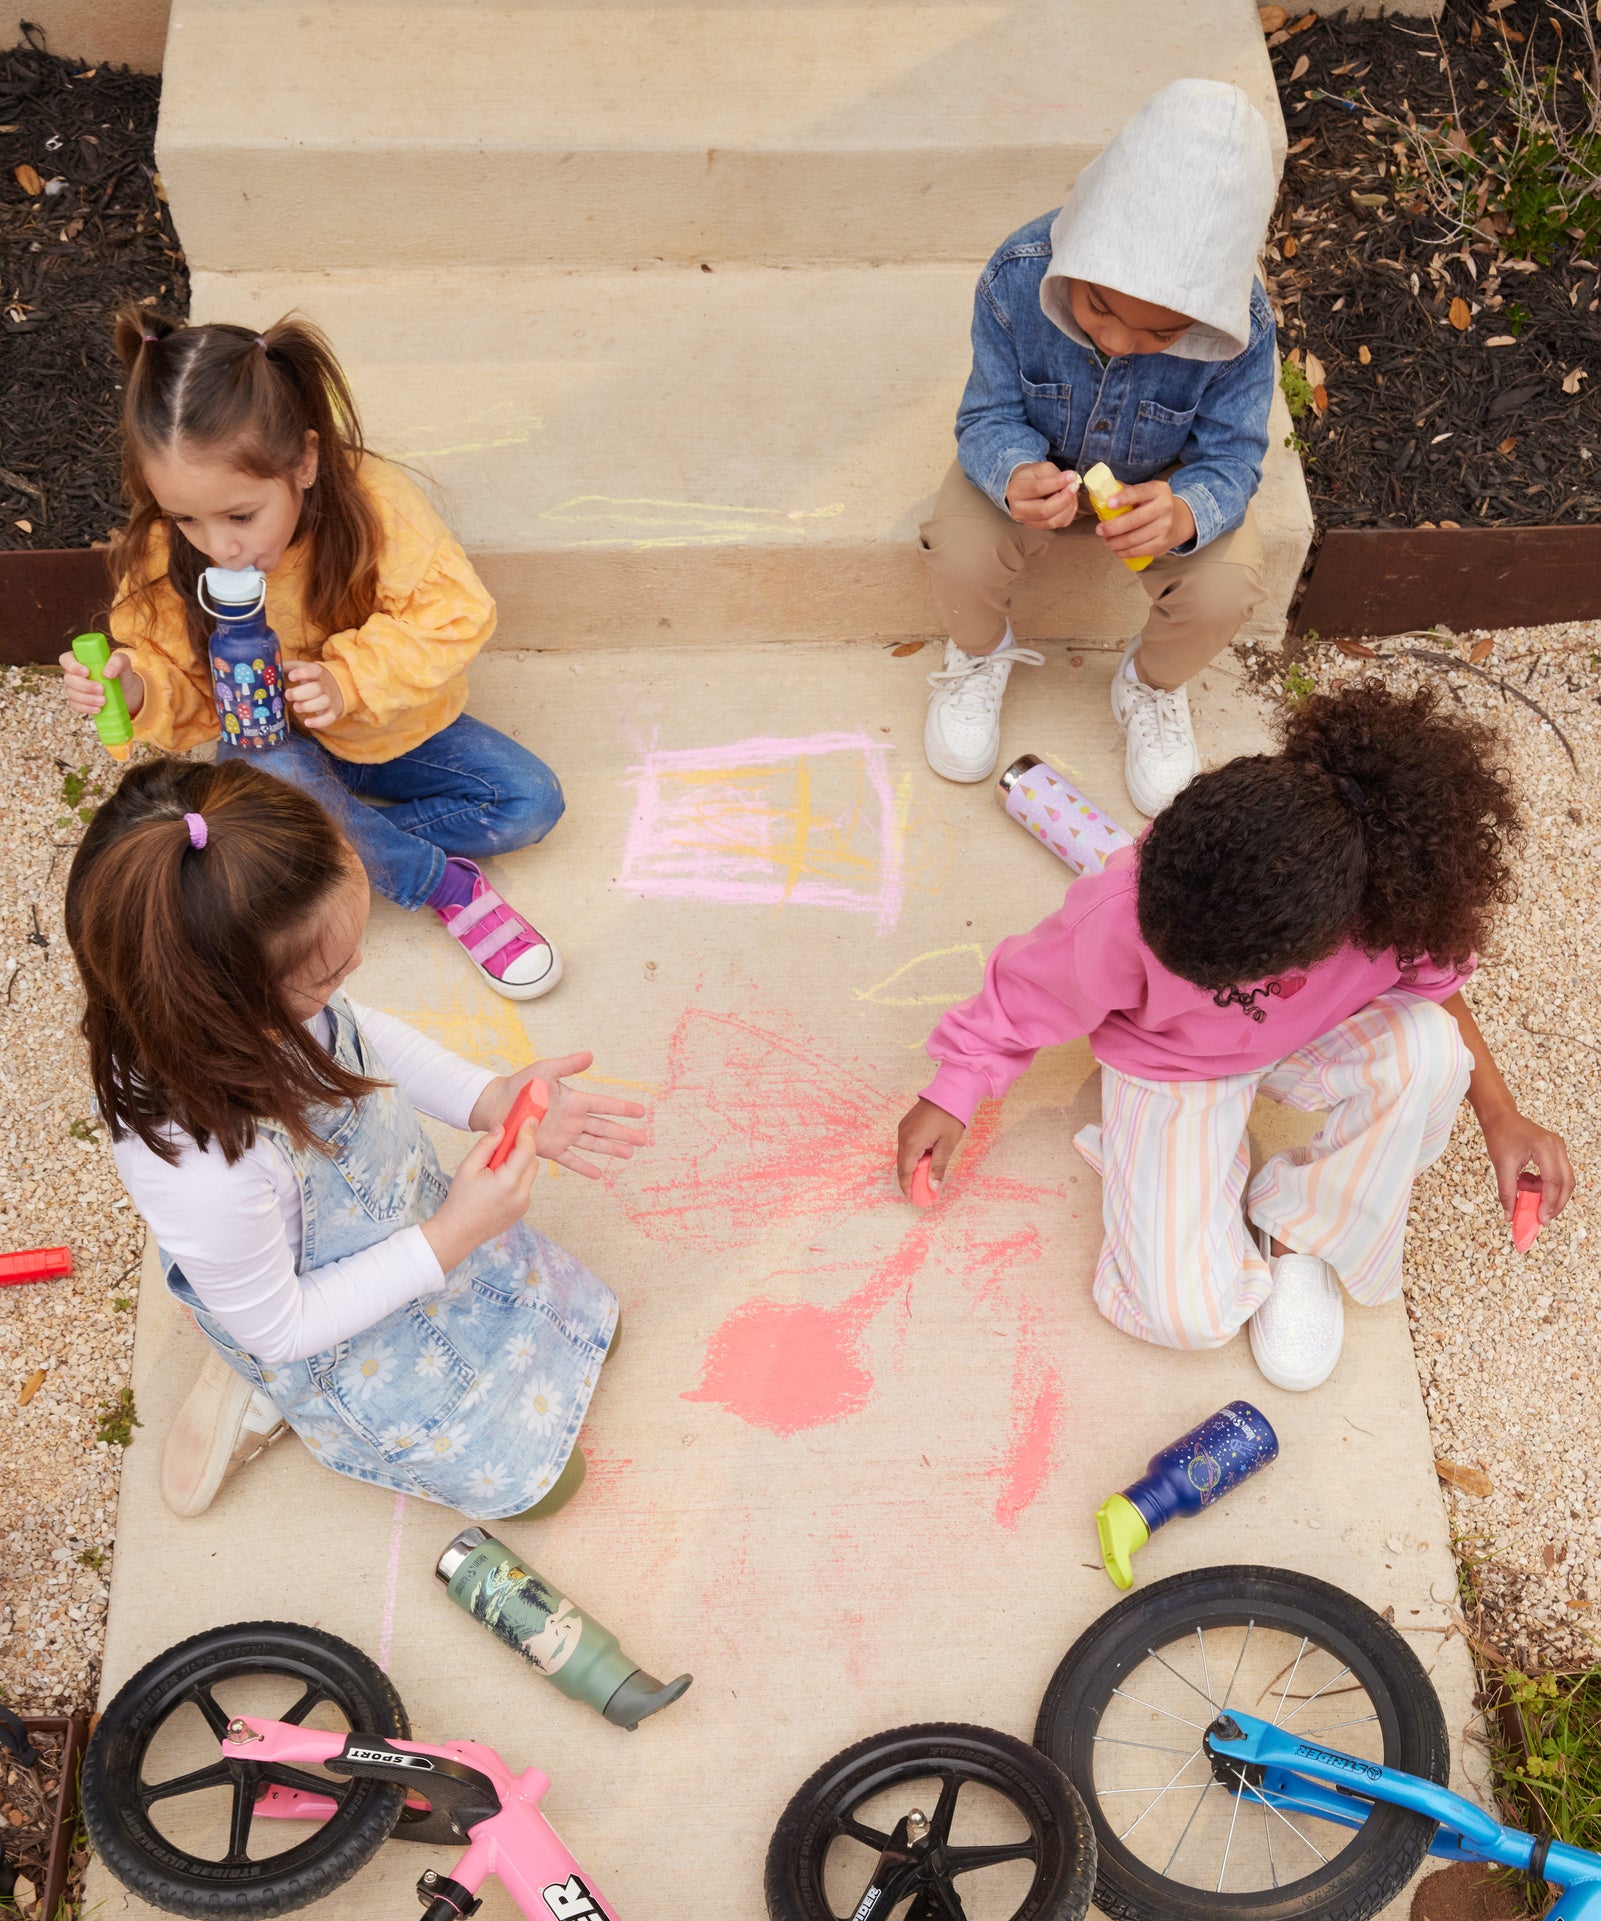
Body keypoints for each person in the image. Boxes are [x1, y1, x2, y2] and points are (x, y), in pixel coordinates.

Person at [896, 681, 1573, 1392]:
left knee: (1432, 1052)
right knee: (1185, 1316)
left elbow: (1435, 994)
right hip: (1175, 1061)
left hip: (1303, 1036)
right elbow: (1026, 993)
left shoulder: (1384, 906)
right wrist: (953, 1088)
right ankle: (1174, 1158)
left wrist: (1500, 1116)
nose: (1165, 953)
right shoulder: (1130, 908)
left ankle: (1299, 1231)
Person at [65, 755, 649, 1519]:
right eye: (328, 975)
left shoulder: (246, 994)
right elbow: (286, 1325)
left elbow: (362, 1038)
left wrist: (487, 1095)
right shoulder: (200, 1172)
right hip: (334, 1327)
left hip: (407, 1229)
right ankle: (256, 1389)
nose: (355, 972)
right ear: (225, 1007)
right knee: (546, 1486)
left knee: (591, 1334)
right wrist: (452, 1235)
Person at [58, 306, 563, 1001]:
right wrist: (140, 689)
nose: (219, 546)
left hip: (385, 727)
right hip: (272, 746)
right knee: (272, 758)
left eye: (240, 515)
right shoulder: (161, 552)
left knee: (529, 802)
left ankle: (319, 847)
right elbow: (188, 689)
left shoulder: (374, 506)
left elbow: (455, 613)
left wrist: (347, 678)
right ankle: (442, 883)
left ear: (304, 460)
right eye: (185, 518)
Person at [920, 78, 1279, 814]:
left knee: (1227, 585)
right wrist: (1013, 470)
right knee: (958, 544)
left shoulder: (1243, 328)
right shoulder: (1019, 275)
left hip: (1157, 486)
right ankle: (979, 649)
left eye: (1161, 335)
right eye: (1097, 307)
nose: (1115, 340)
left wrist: (1184, 511)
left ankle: (1148, 686)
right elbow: (986, 414)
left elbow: (1233, 459)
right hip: (1036, 468)